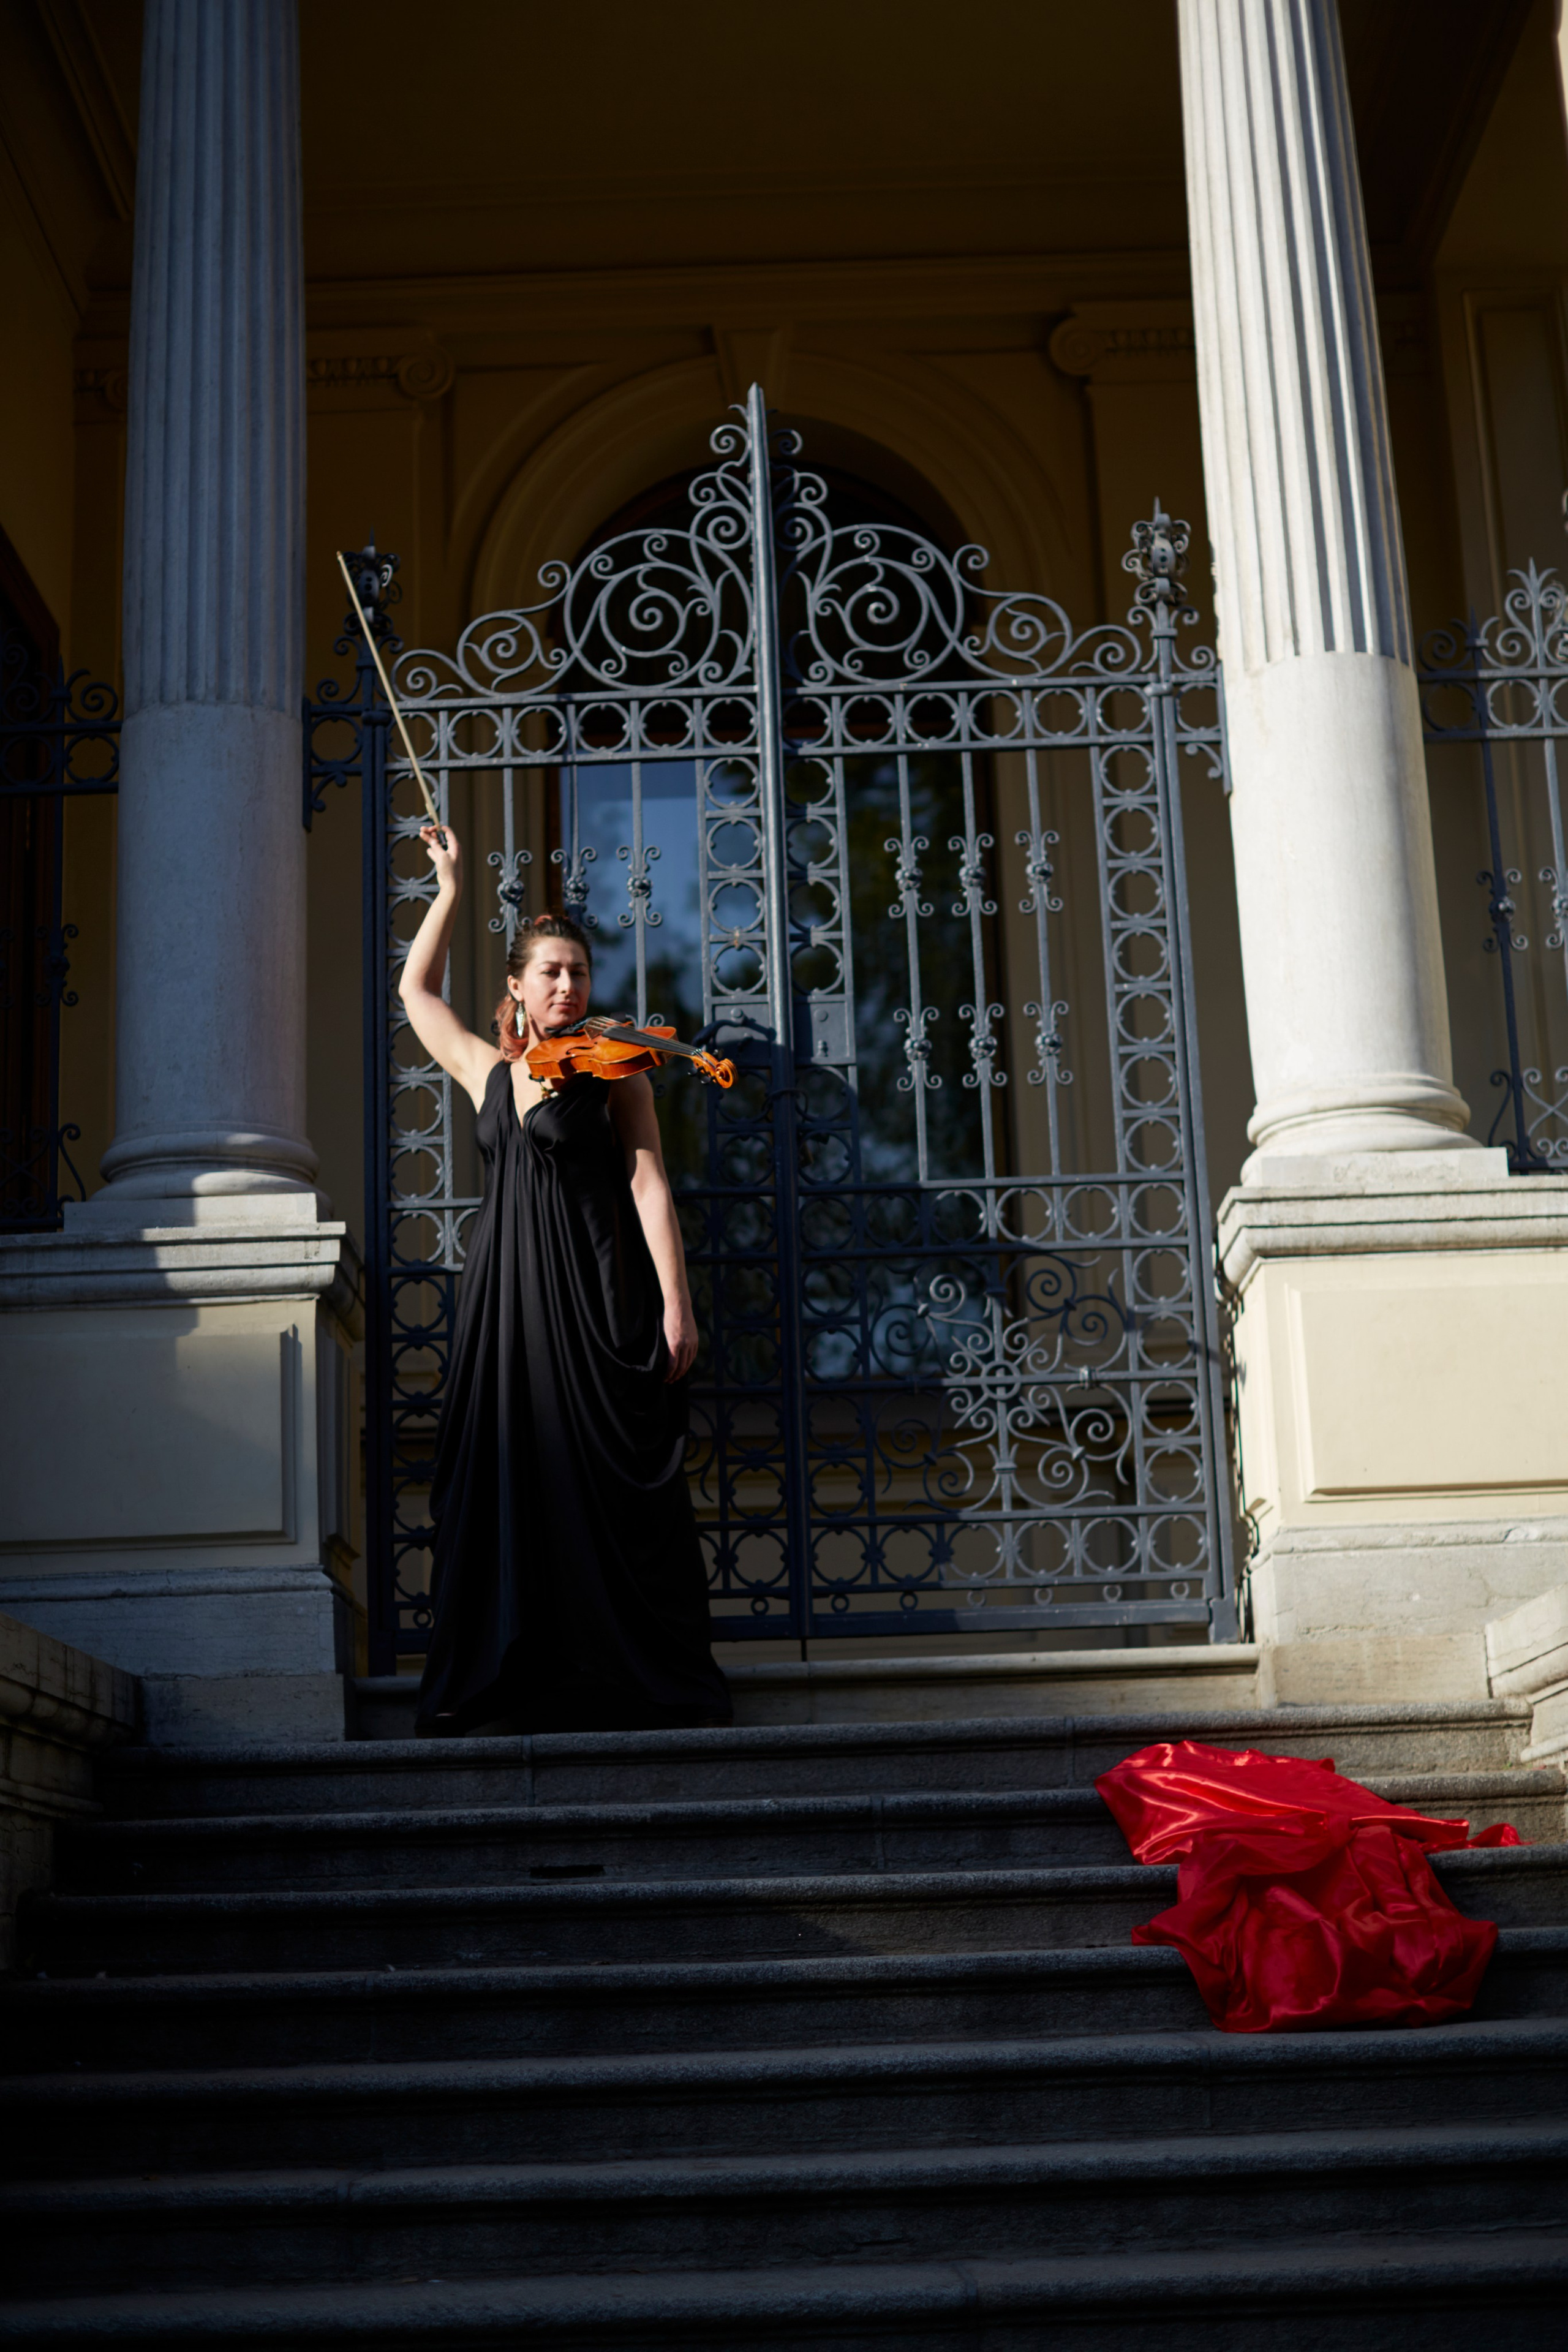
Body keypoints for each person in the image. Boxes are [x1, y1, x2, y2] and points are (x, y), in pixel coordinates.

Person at [397, 821, 731, 1736]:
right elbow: (415, 991)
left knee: (612, 1479)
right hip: (506, 1303)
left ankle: (631, 1680)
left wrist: (675, 1301)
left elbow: (647, 1181)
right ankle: (490, 1676)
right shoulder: (487, 1072)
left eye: (579, 973)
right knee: (500, 1477)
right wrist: (452, 889)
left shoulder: (617, 1073)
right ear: (517, 986)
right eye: (549, 972)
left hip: (595, 1293)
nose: (568, 985)